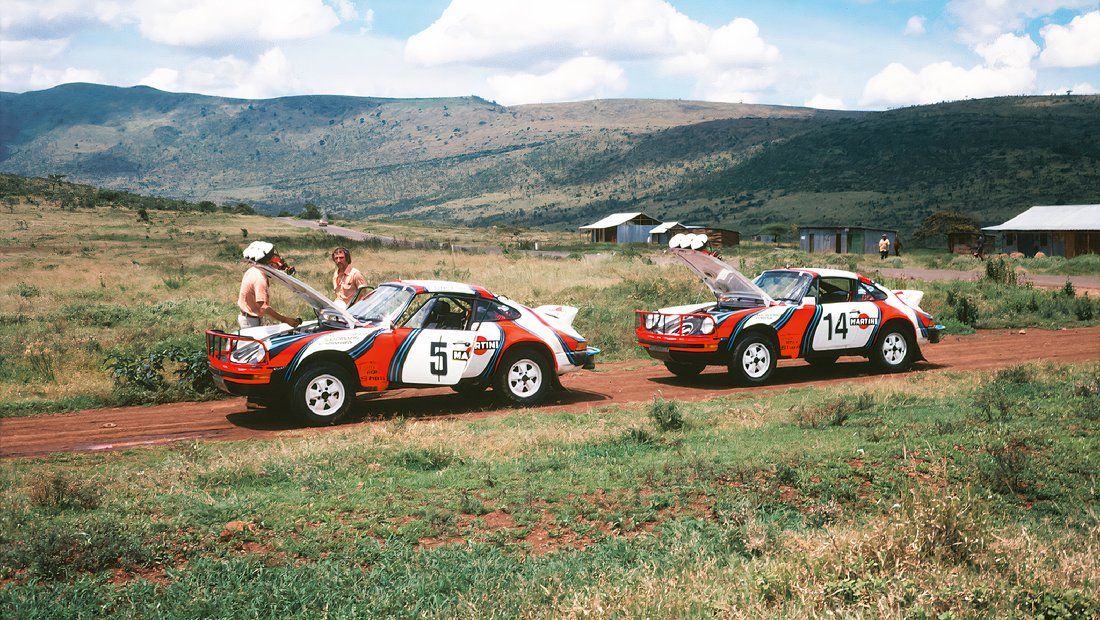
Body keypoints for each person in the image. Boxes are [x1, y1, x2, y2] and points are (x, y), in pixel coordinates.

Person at [238, 241, 301, 330]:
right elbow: (263, 307)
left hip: (249, 318)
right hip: (250, 322)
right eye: (275, 259)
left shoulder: (254, 269)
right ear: (270, 263)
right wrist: (285, 320)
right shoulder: (260, 279)